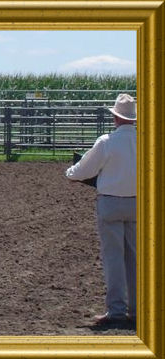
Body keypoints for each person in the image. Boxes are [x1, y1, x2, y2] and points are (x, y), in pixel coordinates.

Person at [65, 93, 137, 326]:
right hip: (139, 203)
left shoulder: (106, 142)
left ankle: (116, 310)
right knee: (135, 257)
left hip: (110, 203)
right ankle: (137, 308)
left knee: (113, 257)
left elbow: (83, 170)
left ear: (115, 118)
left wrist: (71, 172)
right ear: (133, 120)